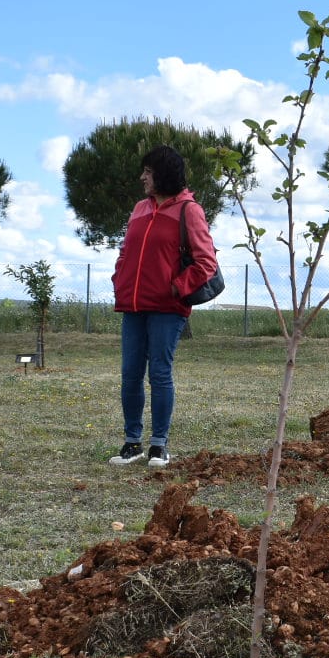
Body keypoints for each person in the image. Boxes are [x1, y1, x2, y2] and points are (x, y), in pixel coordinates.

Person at [108, 145, 217, 469]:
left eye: (148, 172)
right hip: (133, 305)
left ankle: (159, 445)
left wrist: (175, 289)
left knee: (159, 373)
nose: (142, 177)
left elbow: (206, 262)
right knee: (130, 375)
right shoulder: (140, 208)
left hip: (168, 309)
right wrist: (120, 278)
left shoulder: (189, 210)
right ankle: (132, 443)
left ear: (163, 174)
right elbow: (126, 251)